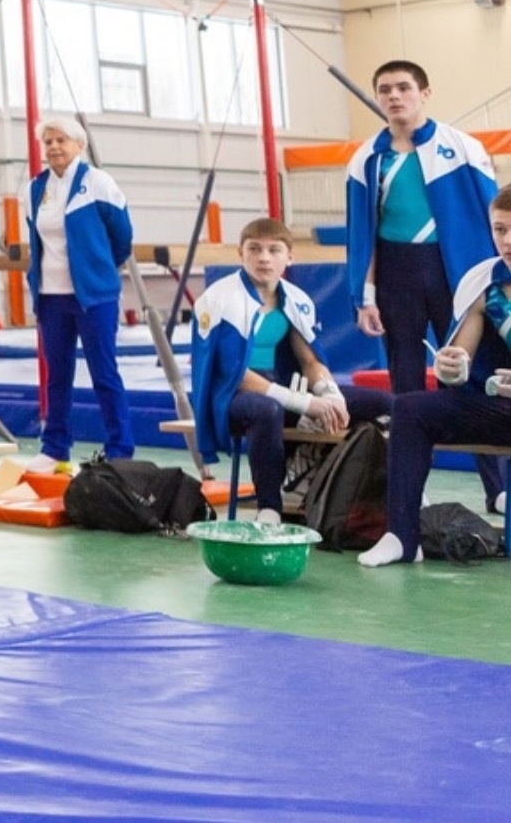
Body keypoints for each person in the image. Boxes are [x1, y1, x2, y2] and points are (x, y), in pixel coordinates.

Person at [344, 59, 501, 509]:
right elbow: (360, 233)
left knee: (472, 376)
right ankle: (413, 489)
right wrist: (364, 297)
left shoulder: (463, 148)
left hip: (456, 275)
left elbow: (495, 217)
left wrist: (495, 282)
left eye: (404, 88)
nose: (394, 96)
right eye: (385, 90)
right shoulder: (366, 159)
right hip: (396, 275)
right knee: (406, 385)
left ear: (425, 93)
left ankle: (498, 489)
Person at [192, 218, 392, 524]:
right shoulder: (220, 298)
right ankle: (270, 508)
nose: (264, 258)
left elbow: (310, 361)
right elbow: (236, 374)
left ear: (290, 257)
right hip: (232, 395)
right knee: (267, 410)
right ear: (240, 253)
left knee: (385, 404)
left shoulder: (297, 300)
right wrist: (305, 404)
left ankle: (385, 497)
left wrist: (330, 394)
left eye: (274, 250)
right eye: (255, 249)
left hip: (281, 390)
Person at [360, 188, 511, 566]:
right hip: (497, 409)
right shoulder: (481, 281)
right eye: (500, 229)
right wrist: (453, 367)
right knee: (410, 409)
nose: (507, 241)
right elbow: (459, 360)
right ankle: (402, 537)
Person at [23, 116, 136, 473]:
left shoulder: (98, 183)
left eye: (62, 141)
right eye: (49, 141)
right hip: (51, 296)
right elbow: (36, 240)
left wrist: (99, 271)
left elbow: (122, 237)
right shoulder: (33, 190)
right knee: (57, 374)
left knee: (104, 373)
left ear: (79, 146)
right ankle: (55, 447)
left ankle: (120, 448)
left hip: (94, 296)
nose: (54, 147)